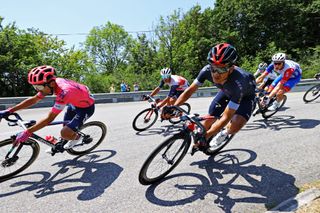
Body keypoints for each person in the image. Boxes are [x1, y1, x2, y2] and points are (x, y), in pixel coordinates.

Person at [165, 43, 256, 150]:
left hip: (245, 96)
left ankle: (224, 133)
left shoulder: (238, 83)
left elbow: (227, 116)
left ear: (231, 69)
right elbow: (190, 91)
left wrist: (206, 136)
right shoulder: (206, 70)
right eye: (213, 68)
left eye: (221, 69)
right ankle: (202, 138)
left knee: (235, 125)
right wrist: (173, 107)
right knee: (209, 118)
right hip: (226, 91)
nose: (216, 74)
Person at [0, 65, 95, 153]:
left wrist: (28, 132)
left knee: (65, 132)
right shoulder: (51, 84)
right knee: (65, 128)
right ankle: (64, 140)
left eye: (39, 87)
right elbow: (34, 99)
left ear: (52, 84)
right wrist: (10, 110)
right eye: (35, 86)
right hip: (75, 103)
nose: (37, 90)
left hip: (86, 108)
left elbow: (49, 119)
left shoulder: (64, 92)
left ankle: (77, 137)